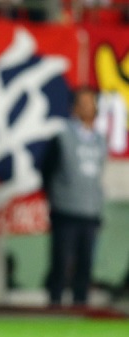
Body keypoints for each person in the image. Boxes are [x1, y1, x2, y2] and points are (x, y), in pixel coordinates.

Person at [42, 87, 107, 307]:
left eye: (92, 103)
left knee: (86, 262)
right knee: (61, 260)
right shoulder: (62, 136)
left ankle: (81, 305)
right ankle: (55, 304)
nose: (89, 107)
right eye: (84, 103)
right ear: (75, 108)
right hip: (65, 209)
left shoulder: (100, 139)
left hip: (90, 210)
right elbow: (46, 169)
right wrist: (57, 196)